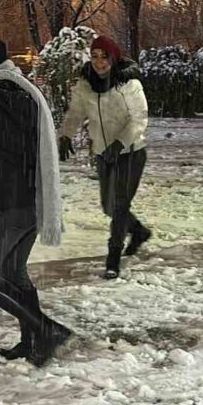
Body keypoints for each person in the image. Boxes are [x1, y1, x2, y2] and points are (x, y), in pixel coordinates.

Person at [0, 32, 72, 367]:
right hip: (35, 198)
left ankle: (44, 329)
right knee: (13, 270)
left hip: (10, 202)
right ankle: (32, 341)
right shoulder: (23, 90)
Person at [58, 35, 151, 280]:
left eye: (104, 57)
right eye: (95, 56)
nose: (100, 62)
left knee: (120, 205)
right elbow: (76, 112)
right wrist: (66, 135)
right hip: (102, 152)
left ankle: (113, 258)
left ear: (114, 57)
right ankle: (139, 231)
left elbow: (139, 119)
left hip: (130, 152)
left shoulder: (129, 84)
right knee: (108, 206)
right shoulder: (85, 84)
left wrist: (120, 143)